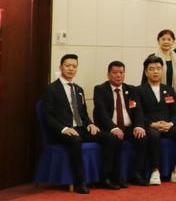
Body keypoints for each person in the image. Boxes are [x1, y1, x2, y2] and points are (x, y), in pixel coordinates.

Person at [47, 54, 119, 193]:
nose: (71, 69)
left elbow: (84, 114)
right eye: (68, 66)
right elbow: (48, 116)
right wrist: (64, 129)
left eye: (74, 66)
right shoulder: (51, 89)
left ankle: (105, 178)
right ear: (60, 67)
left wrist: (90, 124)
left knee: (110, 138)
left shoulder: (78, 89)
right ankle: (79, 181)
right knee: (75, 139)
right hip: (62, 131)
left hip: (80, 128)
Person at [138, 55, 176, 185]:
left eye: (158, 68)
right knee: (154, 136)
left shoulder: (169, 89)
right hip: (150, 126)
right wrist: (152, 124)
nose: (155, 72)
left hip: (167, 125)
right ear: (146, 72)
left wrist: (171, 123)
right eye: (152, 69)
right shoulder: (139, 90)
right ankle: (155, 171)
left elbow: (175, 111)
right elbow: (138, 113)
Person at [92, 60, 146, 188]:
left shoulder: (131, 89)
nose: (118, 75)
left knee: (143, 137)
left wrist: (138, 126)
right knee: (113, 139)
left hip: (128, 128)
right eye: (115, 72)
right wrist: (113, 128)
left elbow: (138, 110)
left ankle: (136, 173)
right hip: (109, 128)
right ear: (108, 74)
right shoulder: (100, 89)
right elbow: (101, 113)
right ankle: (109, 177)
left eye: (121, 72)